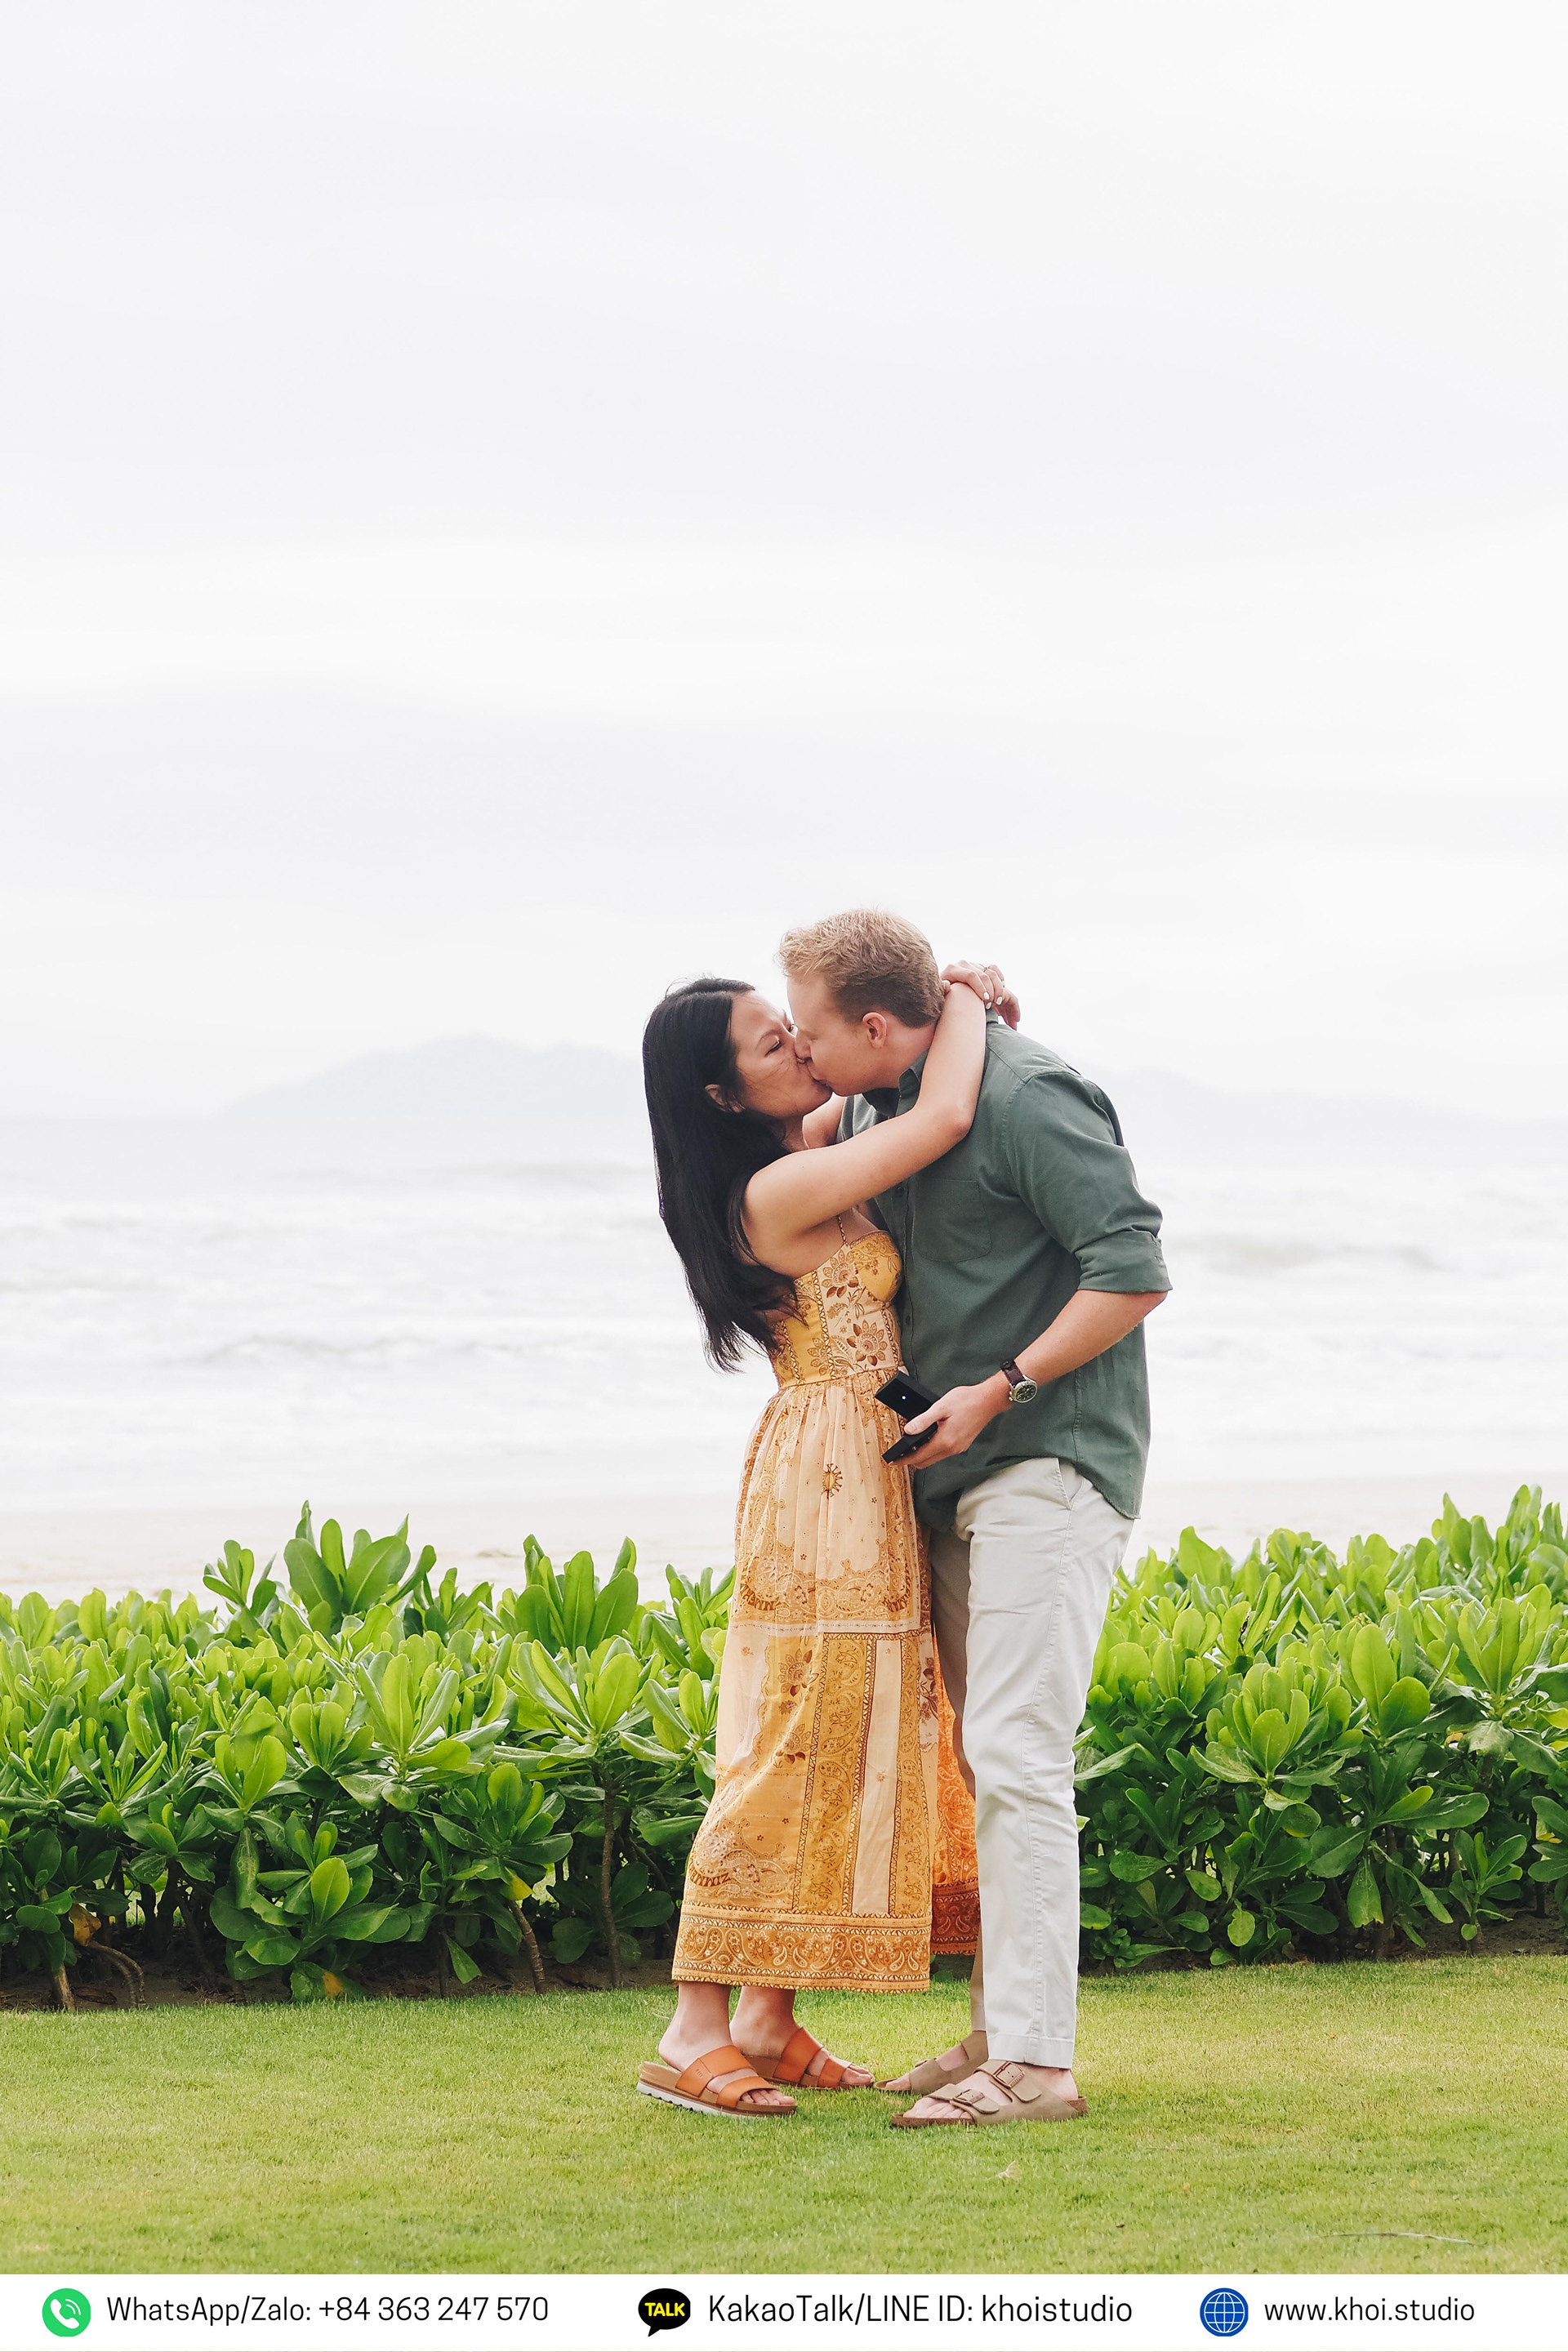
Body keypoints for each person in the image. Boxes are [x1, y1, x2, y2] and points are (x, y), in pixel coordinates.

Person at [782, 908, 1169, 2130]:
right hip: (942, 1475)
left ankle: (1040, 2067)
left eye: (811, 1029)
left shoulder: (1032, 1097)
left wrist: (1004, 1387)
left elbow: (1134, 1268)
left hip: (1048, 1454)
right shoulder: (880, 1108)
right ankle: (1004, 2032)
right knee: (984, 1753)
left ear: (881, 1027)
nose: (799, 1047)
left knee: (1014, 1752)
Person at [635, 958, 1004, 2119]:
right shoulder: (775, 1197)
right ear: (719, 1096)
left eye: (792, 1028)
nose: (801, 1045)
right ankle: (693, 2025)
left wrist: (941, 1004)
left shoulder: (802, 1154)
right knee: (792, 1733)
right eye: (768, 1044)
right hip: (825, 1478)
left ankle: (767, 2016)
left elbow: (882, 1078)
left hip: (861, 1467)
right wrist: (967, 1014)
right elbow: (940, 1108)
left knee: (843, 1725)